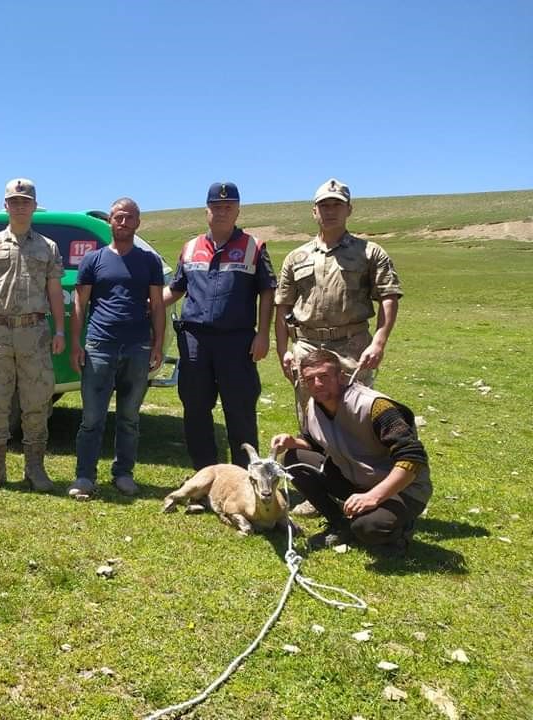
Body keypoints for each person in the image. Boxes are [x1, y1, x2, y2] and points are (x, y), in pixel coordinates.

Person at [0, 178, 66, 492]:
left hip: (34, 332)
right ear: (5, 205)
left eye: (25, 201)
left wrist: (59, 330)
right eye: (14, 201)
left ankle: (35, 468)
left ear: (34, 206)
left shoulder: (48, 248)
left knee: (36, 402)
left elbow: (55, 292)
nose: (19, 206)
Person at [271, 348, 432, 555]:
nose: (317, 385)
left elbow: (412, 457)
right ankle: (339, 524)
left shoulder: (374, 406)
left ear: (341, 376)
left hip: (402, 489)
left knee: (366, 527)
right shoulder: (314, 405)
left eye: (324, 376)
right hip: (357, 478)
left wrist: (373, 497)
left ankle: (399, 532)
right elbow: (317, 443)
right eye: (310, 379)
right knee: (294, 458)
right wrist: (292, 441)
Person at [162, 182, 276, 470]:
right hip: (195, 341)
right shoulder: (190, 248)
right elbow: (175, 289)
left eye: (228, 207)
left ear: (238, 210)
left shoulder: (254, 246)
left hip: (237, 342)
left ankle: (243, 477)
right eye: (216, 207)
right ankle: (205, 476)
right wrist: (143, 304)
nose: (222, 212)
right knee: (196, 409)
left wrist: (263, 334)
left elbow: (267, 291)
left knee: (239, 411)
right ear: (206, 211)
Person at [274, 178, 403, 423]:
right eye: (324, 206)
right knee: (310, 418)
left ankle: (355, 462)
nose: (330, 211)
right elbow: (283, 306)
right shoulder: (295, 257)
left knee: (355, 416)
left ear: (349, 209)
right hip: (308, 347)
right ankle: (314, 461)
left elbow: (389, 296)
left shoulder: (370, 252)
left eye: (337, 205)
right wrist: (283, 352)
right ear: (314, 211)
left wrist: (378, 342)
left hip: (353, 347)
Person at [68, 198, 165, 498]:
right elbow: (79, 304)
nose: (123, 223)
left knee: (129, 418)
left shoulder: (149, 262)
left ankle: (123, 474)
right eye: (118, 217)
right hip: (99, 346)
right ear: (109, 221)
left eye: (129, 218)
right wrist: (76, 344)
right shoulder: (93, 260)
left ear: (138, 222)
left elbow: (158, 305)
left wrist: (158, 344)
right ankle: (85, 476)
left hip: (137, 347)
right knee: (92, 419)